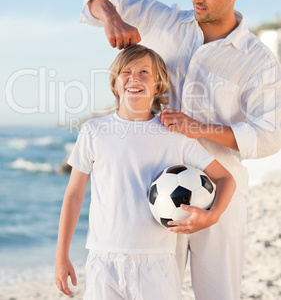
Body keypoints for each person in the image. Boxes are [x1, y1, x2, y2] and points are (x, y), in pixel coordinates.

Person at [79, 0, 281, 299]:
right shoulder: (166, 21)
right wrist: (110, 17)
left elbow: (270, 134)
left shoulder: (258, 60)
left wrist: (199, 129)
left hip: (222, 191)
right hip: (157, 190)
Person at [55, 44, 236, 299]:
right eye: (126, 72)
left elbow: (226, 178)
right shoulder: (94, 131)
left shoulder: (174, 135)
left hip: (157, 261)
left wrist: (213, 215)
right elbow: (73, 195)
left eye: (144, 72)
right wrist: (61, 256)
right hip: (103, 258)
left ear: (158, 85)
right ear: (115, 83)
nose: (134, 78)